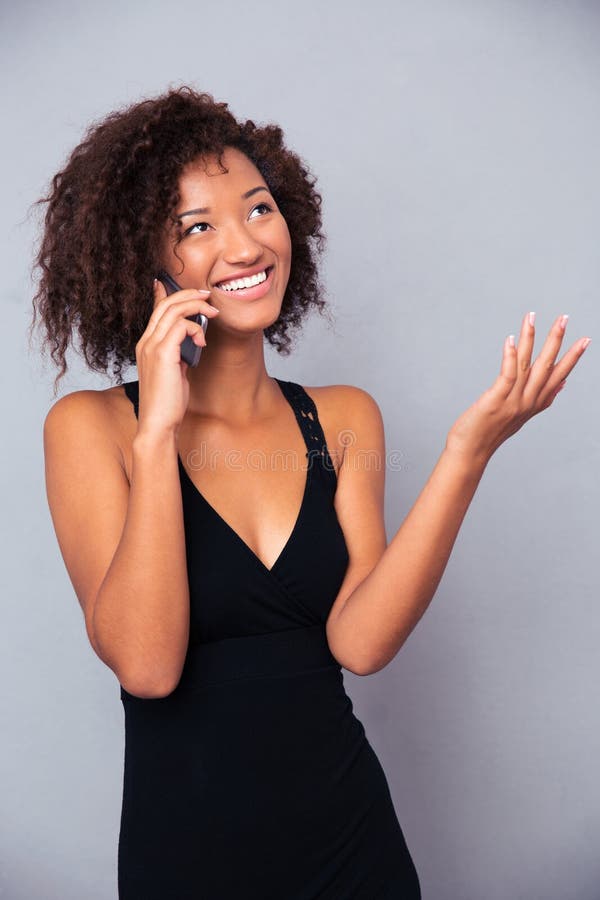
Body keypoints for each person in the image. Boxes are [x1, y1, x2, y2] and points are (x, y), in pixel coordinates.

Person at [31, 85, 590, 899]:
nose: (245, 245)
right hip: (188, 860)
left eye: (259, 209)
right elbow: (148, 667)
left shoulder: (343, 418)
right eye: (198, 228)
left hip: (351, 847)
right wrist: (158, 432)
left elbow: (360, 644)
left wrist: (467, 454)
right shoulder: (91, 429)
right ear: (143, 265)